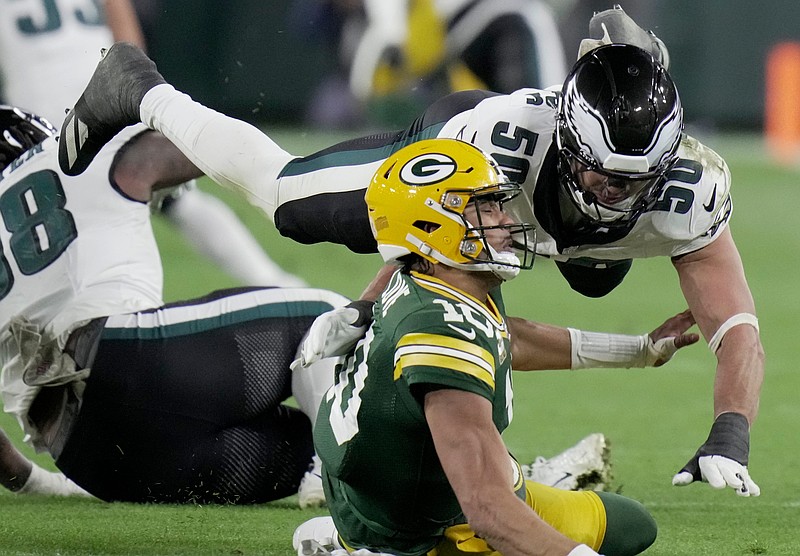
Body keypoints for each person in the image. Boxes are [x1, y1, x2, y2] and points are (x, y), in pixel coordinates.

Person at [56, 5, 763, 498]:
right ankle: (139, 88)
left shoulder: (689, 192)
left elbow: (737, 331)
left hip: (534, 220)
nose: (619, 196)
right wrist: (368, 308)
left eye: (639, 180)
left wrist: (730, 433)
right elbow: (469, 320)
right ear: (573, 145)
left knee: (591, 279)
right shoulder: (497, 158)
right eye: (606, 177)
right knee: (286, 201)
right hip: (455, 156)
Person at [297, 138, 697, 556]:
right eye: (486, 207)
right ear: (433, 226)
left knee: (630, 525)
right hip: (419, 525)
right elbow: (487, 509)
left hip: (405, 485)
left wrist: (640, 350)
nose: (505, 220)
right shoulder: (437, 331)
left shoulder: (442, 275)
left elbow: (509, 338)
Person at [0, 104, 347, 504]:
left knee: (311, 445)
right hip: (131, 361)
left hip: (87, 457)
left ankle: (335, 469)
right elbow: (206, 146)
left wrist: (32, 481)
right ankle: (337, 473)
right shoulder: (68, 158)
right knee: (327, 317)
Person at [0, 0, 305, 288]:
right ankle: (275, 281)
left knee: (56, 222)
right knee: (179, 203)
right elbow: (129, 44)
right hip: (106, 94)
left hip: (47, 114)